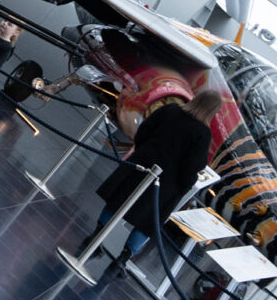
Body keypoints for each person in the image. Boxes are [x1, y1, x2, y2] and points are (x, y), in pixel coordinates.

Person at [76, 89, 222, 269]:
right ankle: (123, 258)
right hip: (166, 183)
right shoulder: (202, 133)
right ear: (212, 111)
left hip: (142, 164)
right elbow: (194, 165)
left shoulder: (171, 109)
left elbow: (144, 130)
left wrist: (145, 151)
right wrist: (185, 183)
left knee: (118, 200)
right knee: (148, 221)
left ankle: (96, 236)